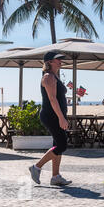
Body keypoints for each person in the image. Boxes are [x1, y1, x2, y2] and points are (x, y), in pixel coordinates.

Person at [29, 51, 72, 186]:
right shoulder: (48, 77)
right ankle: (36, 167)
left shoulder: (55, 76)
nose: (60, 61)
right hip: (51, 115)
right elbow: (52, 99)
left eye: (60, 59)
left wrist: (62, 116)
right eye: (57, 59)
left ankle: (55, 176)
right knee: (61, 145)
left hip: (56, 115)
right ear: (49, 62)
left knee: (56, 145)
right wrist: (61, 118)